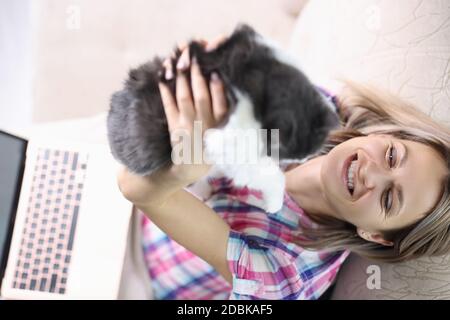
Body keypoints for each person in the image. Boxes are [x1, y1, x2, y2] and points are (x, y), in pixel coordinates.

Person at [117, 37, 450, 300]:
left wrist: (183, 167)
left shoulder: (287, 273)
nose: (372, 173)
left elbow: (136, 189)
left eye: (390, 198)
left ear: (374, 235)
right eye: (392, 156)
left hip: (133, 272)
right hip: (130, 165)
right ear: (386, 134)